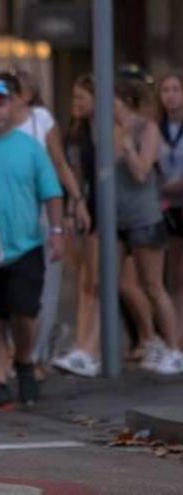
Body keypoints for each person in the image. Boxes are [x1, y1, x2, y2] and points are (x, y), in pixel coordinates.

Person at [0, 79, 64, 412]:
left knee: (24, 313)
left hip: (25, 245)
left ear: (11, 105)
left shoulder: (30, 146)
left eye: (0, 103)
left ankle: (23, 361)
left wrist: (57, 231)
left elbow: (51, 191)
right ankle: (0, 382)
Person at [52, 75, 156, 377]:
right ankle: (86, 348)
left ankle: (147, 338)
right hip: (91, 209)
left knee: (116, 283)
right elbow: (78, 173)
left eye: (82, 98)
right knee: (91, 282)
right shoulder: (80, 131)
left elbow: (133, 171)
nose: (76, 104)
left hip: (115, 213)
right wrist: (75, 204)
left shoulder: (113, 130)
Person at [0, 71, 89, 369]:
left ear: (25, 96)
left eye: (13, 93)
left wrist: (76, 198)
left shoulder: (41, 120)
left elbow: (59, 162)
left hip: (40, 213)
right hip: (4, 216)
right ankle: (12, 351)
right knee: (4, 286)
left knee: (43, 286)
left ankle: (36, 353)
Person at [111, 78, 183, 374]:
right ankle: (152, 339)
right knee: (120, 281)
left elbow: (142, 171)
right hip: (119, 216)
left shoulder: (147, 128)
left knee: (155, 284)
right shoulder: (107, 129)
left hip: (146, 214)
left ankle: (174, 347)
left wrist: (127, 146)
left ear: (126, 102)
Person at [157, 72, 183, 349]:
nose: (171, 96)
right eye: (166, 90)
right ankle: (173, 335)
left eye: (176, 89)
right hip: (166, 205)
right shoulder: (157, 127)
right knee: (171, 274)